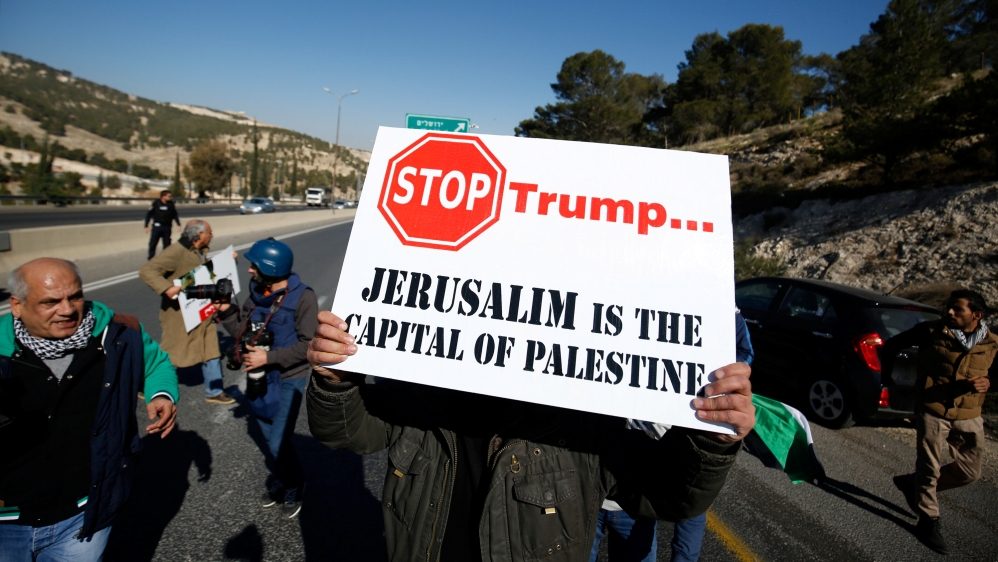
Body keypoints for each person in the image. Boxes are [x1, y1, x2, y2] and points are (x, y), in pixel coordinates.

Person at [305, 311, 755, 562]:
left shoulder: (583, 419)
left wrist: (711, 440)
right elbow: (344, 432)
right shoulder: (421, 391)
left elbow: (669, 496)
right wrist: (335, 381)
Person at [0, 258, 178, 561]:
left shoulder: (119, 334)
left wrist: (161, 394)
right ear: (17, 305)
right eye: (50, 302)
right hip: (7, 523)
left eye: (75, 296)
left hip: (84, 515)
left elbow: (155, 363)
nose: (68, 310)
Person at [589, 311, 755, 562]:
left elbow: (741, 354)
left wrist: (713, 437)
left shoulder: (719, 311)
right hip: (582, 489)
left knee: (683, 534)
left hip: (640, 488)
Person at [886, 289, 996, 555]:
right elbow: (891, 346)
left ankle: (913, 485)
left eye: (957, 309)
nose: (950, 312)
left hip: (969, 414)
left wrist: (988, 382)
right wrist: (889, 381)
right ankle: (928, 521)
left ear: (976, 315)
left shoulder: (992, 342)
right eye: (949, 307)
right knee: (929, 468)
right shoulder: (930, 331)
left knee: (970, 472)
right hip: (932, 411)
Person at [216, 238, 318, 519]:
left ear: (271, 268)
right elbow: (242, 333)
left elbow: (309, 346)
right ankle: (284, 478)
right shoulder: (256, 295)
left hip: (288, 378)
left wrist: (269, 358)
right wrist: (226, 312)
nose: (250, 270)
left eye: (255, 266)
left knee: (277, 442)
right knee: (268, 435)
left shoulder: (303, 297)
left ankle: (294, 484)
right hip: (258, 376)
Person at [139, 219, 235, 405]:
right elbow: (147, 270)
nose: (212, 235)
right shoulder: (176, 252)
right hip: (179, 315)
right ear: (199, 234)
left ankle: (214, 391)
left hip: (202, 311)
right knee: (170, 352)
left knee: (211, 350)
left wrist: (230, 261)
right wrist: (167, 288)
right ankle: (147, 385)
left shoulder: (199, 251)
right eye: (209, 232)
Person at [144, 190, 181, 260]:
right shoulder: (156, 203)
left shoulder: (171, 204)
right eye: (169, 196)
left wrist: (178, 224)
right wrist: (146, 226)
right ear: (163, 196)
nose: (170, 197)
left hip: (167, 227)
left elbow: (175, 214)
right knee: (153, 243)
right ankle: (151, 258)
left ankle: (165, 258)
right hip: (157, 227)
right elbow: (148, 215)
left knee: (167, 244)